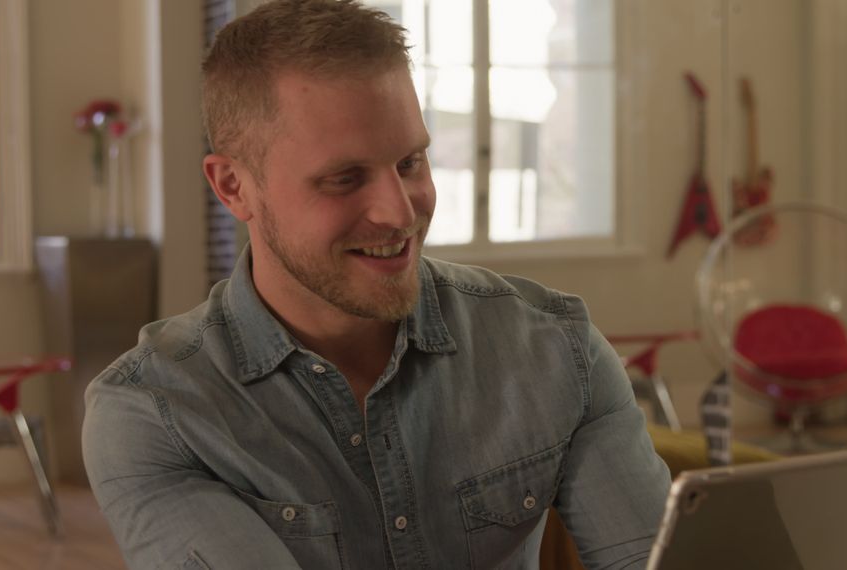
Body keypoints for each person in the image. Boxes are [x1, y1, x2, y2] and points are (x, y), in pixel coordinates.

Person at [82, 0, 671, 568]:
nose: (398, 212)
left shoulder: (555, 349)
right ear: (234, 187)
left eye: (411, 162)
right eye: (344, 178)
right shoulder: (159, 414)